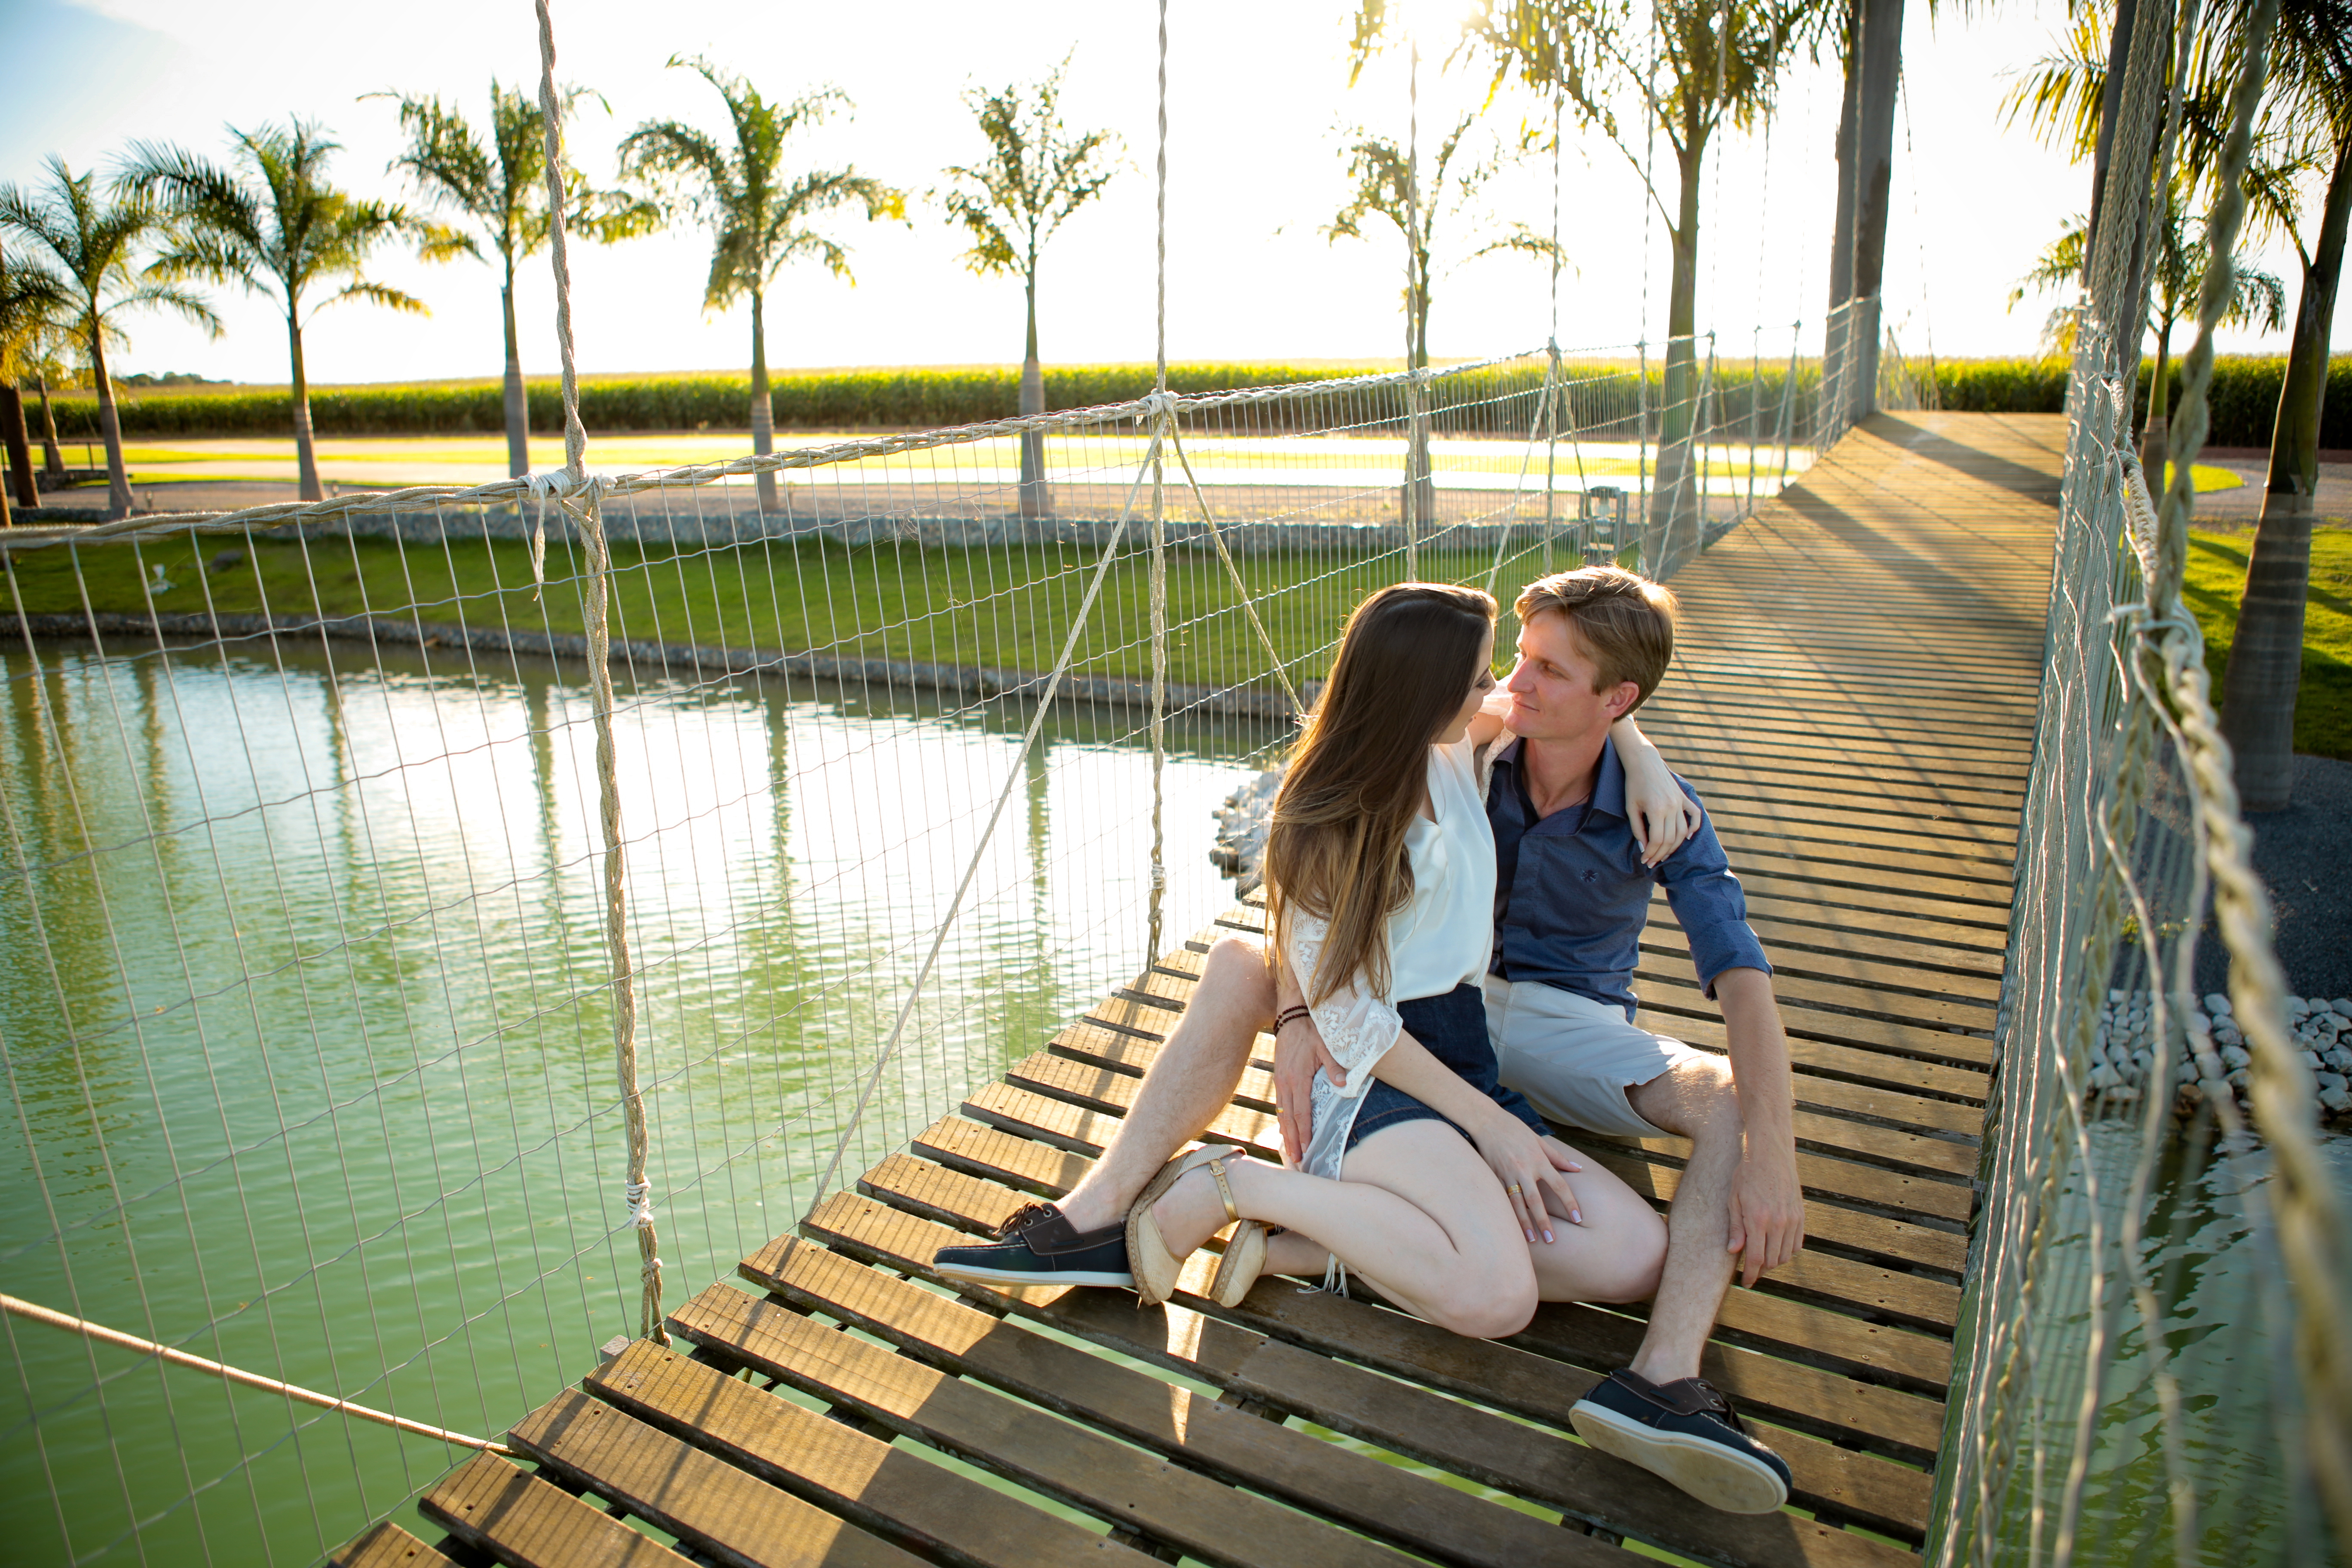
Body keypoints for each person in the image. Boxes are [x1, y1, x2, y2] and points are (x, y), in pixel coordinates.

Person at [934, 581, 1683, 1329]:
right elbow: (1354, 1023)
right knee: (1496, 1296)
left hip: (1464, 1058)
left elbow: (1579, 701)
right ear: (1425, 692)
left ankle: (1312, 1240)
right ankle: (1233, 1183)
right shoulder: (1328, 819)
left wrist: (1637, 750)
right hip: (1371, 1075)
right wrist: (1493, 1125)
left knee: (1633, 1255)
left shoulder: (1453, 746)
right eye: (1484, 678)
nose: (1504, 692)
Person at [1462, 565, 1804, 1514]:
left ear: (1618, 699)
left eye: (1548, 672)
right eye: (1521, 660)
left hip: (1571, 1025)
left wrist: (1771, 1154)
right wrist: (1625, 735)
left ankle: (1659, 1380)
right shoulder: (1479, 743)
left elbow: (1744, 981)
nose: (1516, 684)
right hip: (1446, 1005)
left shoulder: (1666, 814)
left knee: (1731, 1094)